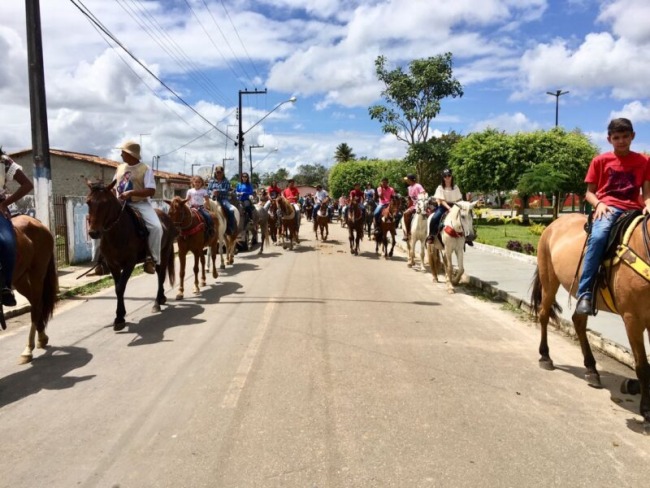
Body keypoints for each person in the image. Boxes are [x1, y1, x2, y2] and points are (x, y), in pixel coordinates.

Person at [575, 118, 650, 315]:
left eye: (625, 136)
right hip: (608, 208)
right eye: (616, 137)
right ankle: (585, 293)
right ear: (609, 139)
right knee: (599, 237)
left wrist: (649, 204)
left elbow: (647, 192)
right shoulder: (600, 161)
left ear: (633, 136)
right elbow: (589, 193)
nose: (621, 141)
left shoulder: (644, 161)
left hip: (634, 208)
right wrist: (598, 204)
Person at [114, 140, 162, 274]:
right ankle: (101, 261)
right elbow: (114, 186)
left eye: (123, 152)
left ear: (131, 154)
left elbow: (151, 191)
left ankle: (152, 259)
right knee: (102, 223)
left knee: (156, 227)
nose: (121, 155)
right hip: (120, 203)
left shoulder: (145, 169)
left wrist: (132, 192)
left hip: (140, 204)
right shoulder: (119, 168)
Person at [0, 150, 34, 306]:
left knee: (7, 243)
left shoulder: (4, 161)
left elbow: (27, 185)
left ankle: (5, 286)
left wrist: (4, 204)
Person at [426, 168, 463, 244]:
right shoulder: (440, 188)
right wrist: (449, 208)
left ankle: (467, 236)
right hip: (444, 206)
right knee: (434, 218)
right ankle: (431, 235)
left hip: (455, 206)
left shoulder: (456, 187)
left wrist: (460, 207)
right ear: (443, 178)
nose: (447, 178)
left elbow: (459, 199)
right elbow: (442, 200)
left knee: (465, 218)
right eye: (445, 176)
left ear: (451, 176)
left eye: (449, 175)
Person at [207, 165, 236, 235]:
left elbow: (227, 190)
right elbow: (208, 190)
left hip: (223, 199)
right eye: (217, 172)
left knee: (231, 210)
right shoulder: (211, 181)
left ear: (223, 173)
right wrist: (212, 193)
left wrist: (218, 191)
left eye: (220, 172)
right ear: (215, 173)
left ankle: (231, 228)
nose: (219, 174)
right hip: (212, 199)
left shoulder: (226, 181)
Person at [402, 174, 426, 241]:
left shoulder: (418, 186)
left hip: (419, 205)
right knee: (405, 213)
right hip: (413, 205)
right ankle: (407, 232)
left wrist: (420, 201)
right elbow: (410, 199)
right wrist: (408, 206)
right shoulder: (409, 188)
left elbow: (424, 193)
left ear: (410, 180)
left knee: (406, 214)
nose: (406, 181)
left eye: (407, 180)